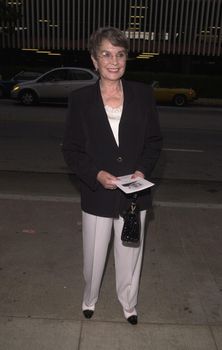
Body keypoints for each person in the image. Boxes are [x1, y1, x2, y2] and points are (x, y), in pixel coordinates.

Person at [62, 27, 162, 325]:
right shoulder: (80, 99)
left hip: (134, 194)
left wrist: (142, 170)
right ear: (94, 60)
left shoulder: (143, 95)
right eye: (106, 54)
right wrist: (95, 174)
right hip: (98, 193)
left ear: (126, 58)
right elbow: (72, 149)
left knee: (130, 254)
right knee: (93, 256)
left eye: (120, 54)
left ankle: (128, 304)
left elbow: (154, 141)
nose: (113, 61)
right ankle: (89, 298)